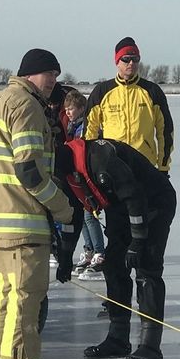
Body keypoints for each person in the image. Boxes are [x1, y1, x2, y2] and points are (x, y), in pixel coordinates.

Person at [0, 48, 73, 359]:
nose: (54, 83)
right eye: (51, 75)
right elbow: (29, 171)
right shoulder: (26, 106)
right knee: (24, 308)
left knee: (4, 304)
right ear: (33, 74)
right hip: (24, 225)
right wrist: (63, 208)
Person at [58, 136, 176, 359]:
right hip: (120, 208)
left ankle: (150, 346)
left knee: (146, 270)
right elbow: (71, 217)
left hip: (153, 202)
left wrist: (138, 241)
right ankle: (118, 338)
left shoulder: (101, 159)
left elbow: (135, 197)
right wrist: (64, 257)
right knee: (113, 266)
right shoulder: (66, 173)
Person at [84, 37, 174, 174]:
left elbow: (165, 131)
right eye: (126, 59)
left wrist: (163, 167)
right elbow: (89, 131)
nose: (131, 63)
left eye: (135, 59)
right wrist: (90, 164)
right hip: (112, 164)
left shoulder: (152, 91)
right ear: (117, 62)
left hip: (144, 164)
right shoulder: (102, 92)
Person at [63, 89, 106, 280]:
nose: (68, 113)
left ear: (81, 109)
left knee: (90, 216)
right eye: (66, 109)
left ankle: (99, 253)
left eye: (71, 109)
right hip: (76, 177)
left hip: (87, 177)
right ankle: (88, 250)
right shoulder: (72, 127)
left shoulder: (86, 127)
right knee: (81, 216)